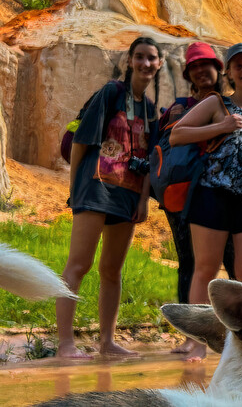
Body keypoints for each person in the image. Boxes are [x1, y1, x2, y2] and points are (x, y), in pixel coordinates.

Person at [170, 42, 242, 360]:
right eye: (238, 65)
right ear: (230, 73)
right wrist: (220, 126)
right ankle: (196, 340)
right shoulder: (216, 103)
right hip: (212, 196)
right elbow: (177, 134)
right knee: (204, 270)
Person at [57, 36, 162, 358]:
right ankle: (65, 345)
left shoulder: (150, 110)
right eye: (140, 57)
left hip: (128, 194)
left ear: (158, 65)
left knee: (112, 270)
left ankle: (107, 343)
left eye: (151, 58)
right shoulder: (111, 93)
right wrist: (75, 189)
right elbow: (81, 142)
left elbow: (148, 159)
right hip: (95, 186)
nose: (145, 64)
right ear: (130, 60)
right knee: (79, 264)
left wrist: (144, 200)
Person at [157, 42, 236, 354]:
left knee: (232, 262)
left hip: (223, 194)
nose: (202, 71)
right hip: (184, 194)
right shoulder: (179, 108)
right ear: (189, 73)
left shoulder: (234, 105)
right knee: (189, 263)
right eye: (195, 67)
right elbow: (164, 147)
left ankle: (240, 335)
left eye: (207, 65)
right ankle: (192, 337)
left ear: (218, 69)